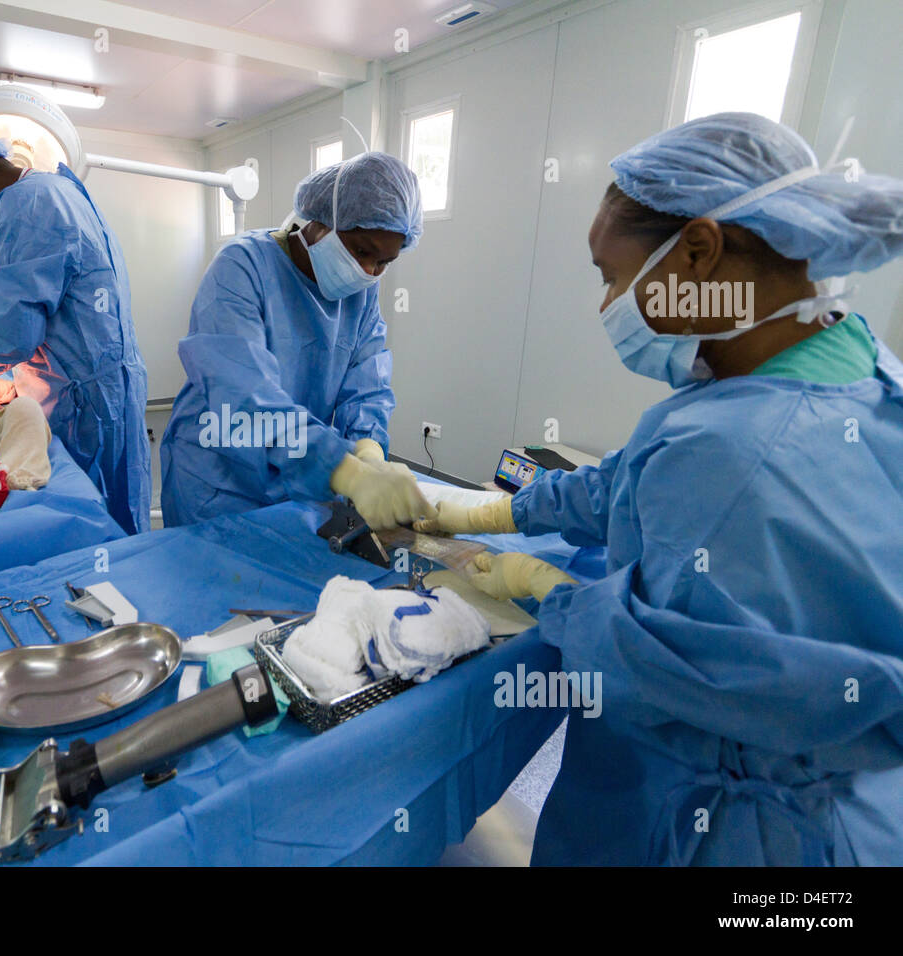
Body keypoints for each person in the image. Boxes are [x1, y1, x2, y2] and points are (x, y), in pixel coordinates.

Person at [418, 112, 903, 865]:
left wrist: (554, 595)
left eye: (612, 276)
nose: (608, 303)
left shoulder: (732, 451)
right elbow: (627, 485)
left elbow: (662, 669)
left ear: (700, 252)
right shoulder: (862, 370)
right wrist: (488, 509)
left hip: (730, 834)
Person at [161, 151, 433, 530]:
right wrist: (345, 472)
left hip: (299, 475)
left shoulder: (362, 293)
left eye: (384, 263)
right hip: (218, 482)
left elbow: (367, 384)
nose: (369, 271)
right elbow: (244, 399)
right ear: (320, 224)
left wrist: (368, 452)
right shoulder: (241, 268)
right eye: (362, 251)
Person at [0, 134, 150, 534]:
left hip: (84, 399)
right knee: (123, 504)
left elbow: (15, 326)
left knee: (90, 516)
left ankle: (95, 582)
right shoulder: (59, 189)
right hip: (111, 380)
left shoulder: (23, 205)